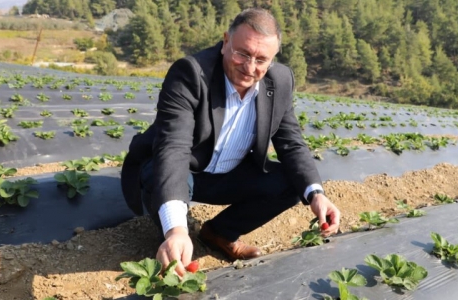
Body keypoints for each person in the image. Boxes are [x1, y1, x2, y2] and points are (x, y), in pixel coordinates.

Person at [120, 8, 341, 276]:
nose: (250, 67)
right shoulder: (191, 73)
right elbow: (173, 148)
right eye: (242, 53)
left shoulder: (280, 81)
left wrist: (316, 195)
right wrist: (177, 229)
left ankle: (219, 233)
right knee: (157, 176)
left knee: (292, 183)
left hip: (229, 173)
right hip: (183, 170)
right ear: (226, 42)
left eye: (261, 59)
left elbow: (291, 143)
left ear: (272, 59)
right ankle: (175, 242)